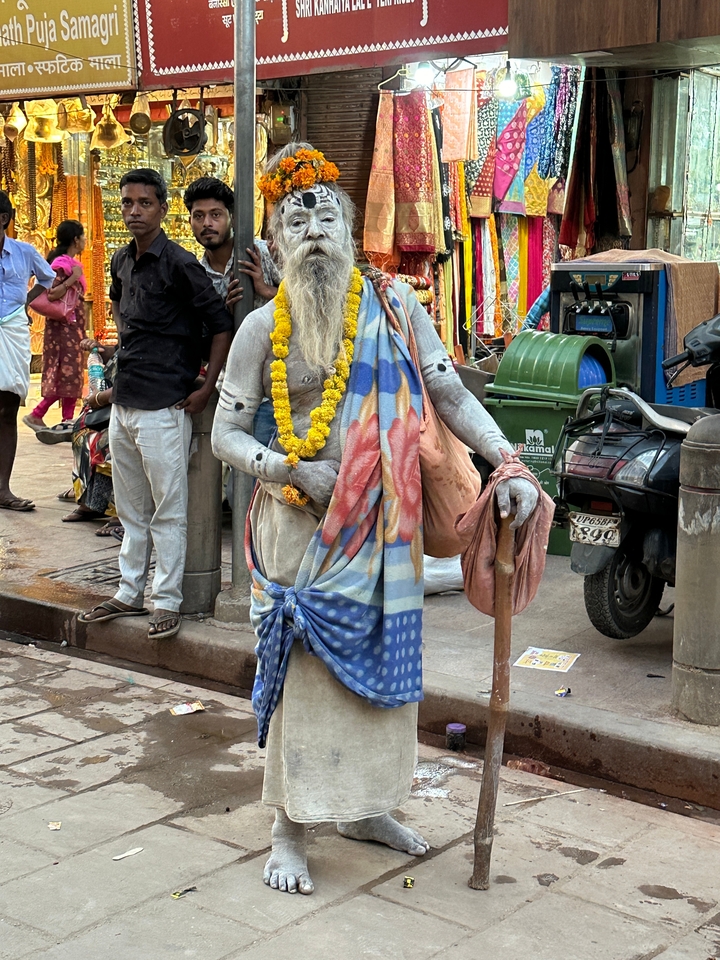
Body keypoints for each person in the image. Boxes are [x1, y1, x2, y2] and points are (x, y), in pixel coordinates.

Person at [212, 144, 539, 896]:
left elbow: (450, 395)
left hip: (385, 529)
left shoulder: (398, 307)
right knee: (304, 678)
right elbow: (225, 436)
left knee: (382, 681)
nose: (316, 228)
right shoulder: (263, 327)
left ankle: (367, 807)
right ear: (275, 240)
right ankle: (289, 829)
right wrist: (288, 467)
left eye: (329, 214)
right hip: (298, 531)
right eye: (299, 220)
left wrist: (506, 461)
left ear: (353, 230)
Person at [78, 168, 233, 639]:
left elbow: (220, 323)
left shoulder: (181, 264)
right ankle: (128, 593)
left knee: (169, 509)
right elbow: (124, 312)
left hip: (167, 406)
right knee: (130, 510)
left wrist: (205, 388)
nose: (133, 211)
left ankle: (166, 601)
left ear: (163, 210)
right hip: (125, 403)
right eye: (127, 203)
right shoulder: (123, 261)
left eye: (144, 203)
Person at [184, 176, 279, 445]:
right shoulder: (195, 274)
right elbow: (201, 342)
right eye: (198, 216)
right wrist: (222, 317)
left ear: (232, 218)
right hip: (231, 393)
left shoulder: (260, 254)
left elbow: (306, 305)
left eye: (216, 215)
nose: (207, 224)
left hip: (276, 391)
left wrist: (264, 289)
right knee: (236, 478)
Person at [0, 189, 56, 512]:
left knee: (8, 409)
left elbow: (47, 279)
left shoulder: (24, 252)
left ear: (4, 219)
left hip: (14, 331)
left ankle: (3, 489)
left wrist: (24, 300)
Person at [23, 220, 87, 434]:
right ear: (75, 239)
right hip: (63, 330)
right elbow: (52, 293)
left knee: (71, 372)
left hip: (71, 328)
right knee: (65, 372)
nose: (85, 240)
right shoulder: (61, 265)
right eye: (83, 236)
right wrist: (72, 279)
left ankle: (63, 419)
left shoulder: (71, 263)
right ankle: (42, 414)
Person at [61, 340, 122, 536]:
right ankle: (91, 503)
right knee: (82, 432)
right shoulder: (131, 319)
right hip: (116, 398)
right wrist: (105, 352)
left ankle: (120, 512)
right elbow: (121, 351)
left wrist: (99, 398)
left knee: (106, 443)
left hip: (136, 399)